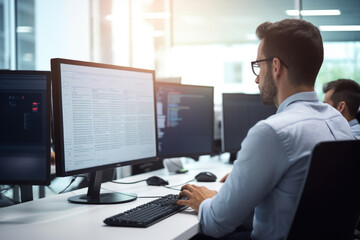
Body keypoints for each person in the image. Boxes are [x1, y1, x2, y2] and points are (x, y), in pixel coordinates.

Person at [177, 19, 354, 240]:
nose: (257, 78)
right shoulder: (338, 121)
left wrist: (206, 201)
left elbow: (216, 224)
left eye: (259, 66)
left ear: (276, 67)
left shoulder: (272, 132)